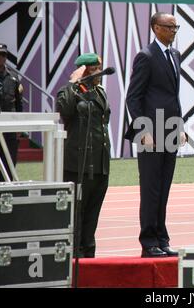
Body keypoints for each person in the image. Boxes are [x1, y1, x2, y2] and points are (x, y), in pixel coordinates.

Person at [124, 12, 186, 258]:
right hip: (150, 133)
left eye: (175, 27)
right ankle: (148, 241)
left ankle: (162, 238)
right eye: (169, 27)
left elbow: (173, 96)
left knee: (164, 187)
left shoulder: (175, 55)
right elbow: (133, 97)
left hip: (169, 129)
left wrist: (179, 127)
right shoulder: (146, 56)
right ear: (155, 28)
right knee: (150, 188)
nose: (173, 31)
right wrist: (143, 130)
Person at [56, 53, 111, 258]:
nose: (100, 73)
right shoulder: (68, 92)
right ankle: (75, 254)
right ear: (84, 70)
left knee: (92, 214)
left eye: (100, 67)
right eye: (96, 68)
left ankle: (89, 254)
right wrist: (74, 82)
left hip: (100, 163)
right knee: (77, 213)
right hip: (78, 165)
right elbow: (66, 111)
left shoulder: (100, 91)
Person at [0, 43, 23, 181]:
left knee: (9, 161)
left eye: (3, 55)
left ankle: (6, 189)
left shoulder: (13, 78)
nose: (1, 58)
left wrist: (19, 126)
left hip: (9, 127)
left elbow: (18, 104)